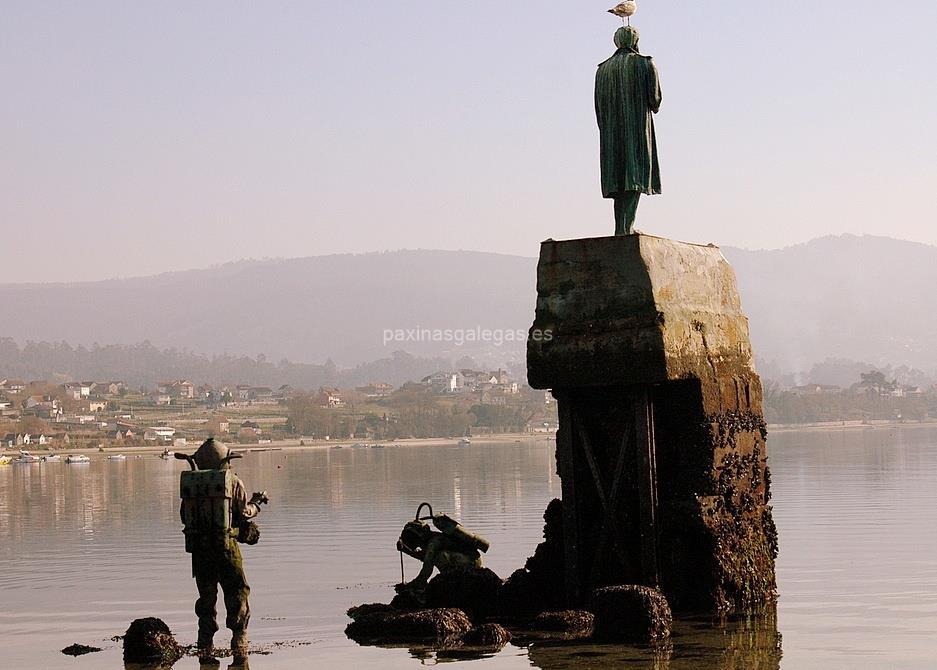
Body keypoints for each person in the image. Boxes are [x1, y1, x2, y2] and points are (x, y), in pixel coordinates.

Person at [179, 438, 267, 659]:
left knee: (206, 597)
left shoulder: (191, 484)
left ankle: (204, 642)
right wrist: (256, 505)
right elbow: (243, 513)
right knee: (237, 592)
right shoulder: (233, 481)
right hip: (227, 549)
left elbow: (184, 516)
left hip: (199, 551)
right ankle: (239, 640)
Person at [595, 25, 662, 235]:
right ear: (635, 41)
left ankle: (620, 228)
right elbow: (655, 100)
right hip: (636, 129)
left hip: (611, 133)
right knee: (635, 176)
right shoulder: (645, 63)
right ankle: (627, 227)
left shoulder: (602, 69)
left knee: (618, 179)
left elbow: (598, 107)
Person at [395, 519, 484, 595]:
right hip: (473, 560)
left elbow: (427, 568)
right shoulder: (434, 539)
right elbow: (425, 557)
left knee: (440, 557)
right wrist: (406, 550)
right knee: (435, 557)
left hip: (470, 564)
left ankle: (451, 580)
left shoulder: (433, 543)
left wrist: (414, 584)